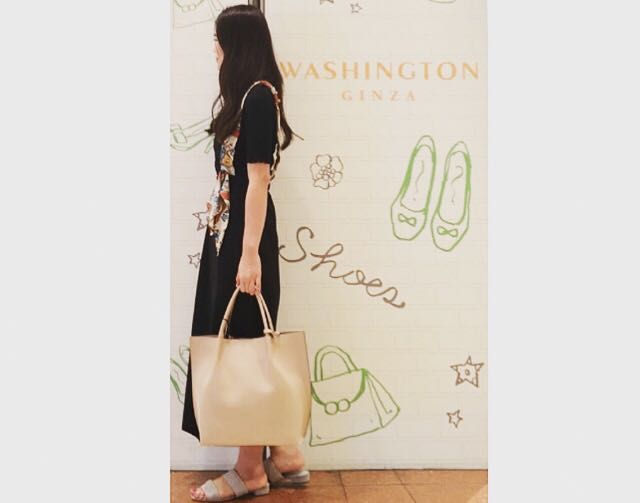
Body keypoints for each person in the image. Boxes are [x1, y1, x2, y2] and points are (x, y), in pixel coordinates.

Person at [180, 5, 309, 501]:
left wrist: (249, 255)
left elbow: (258, 181)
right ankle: (286, 455)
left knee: (246, 344)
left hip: (242, 239)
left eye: (218, 40)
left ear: (236, 44)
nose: (214, 49)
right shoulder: (249, 96)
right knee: (245, 340)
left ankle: (250, 470)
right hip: (229, 235)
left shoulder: (257, 97)